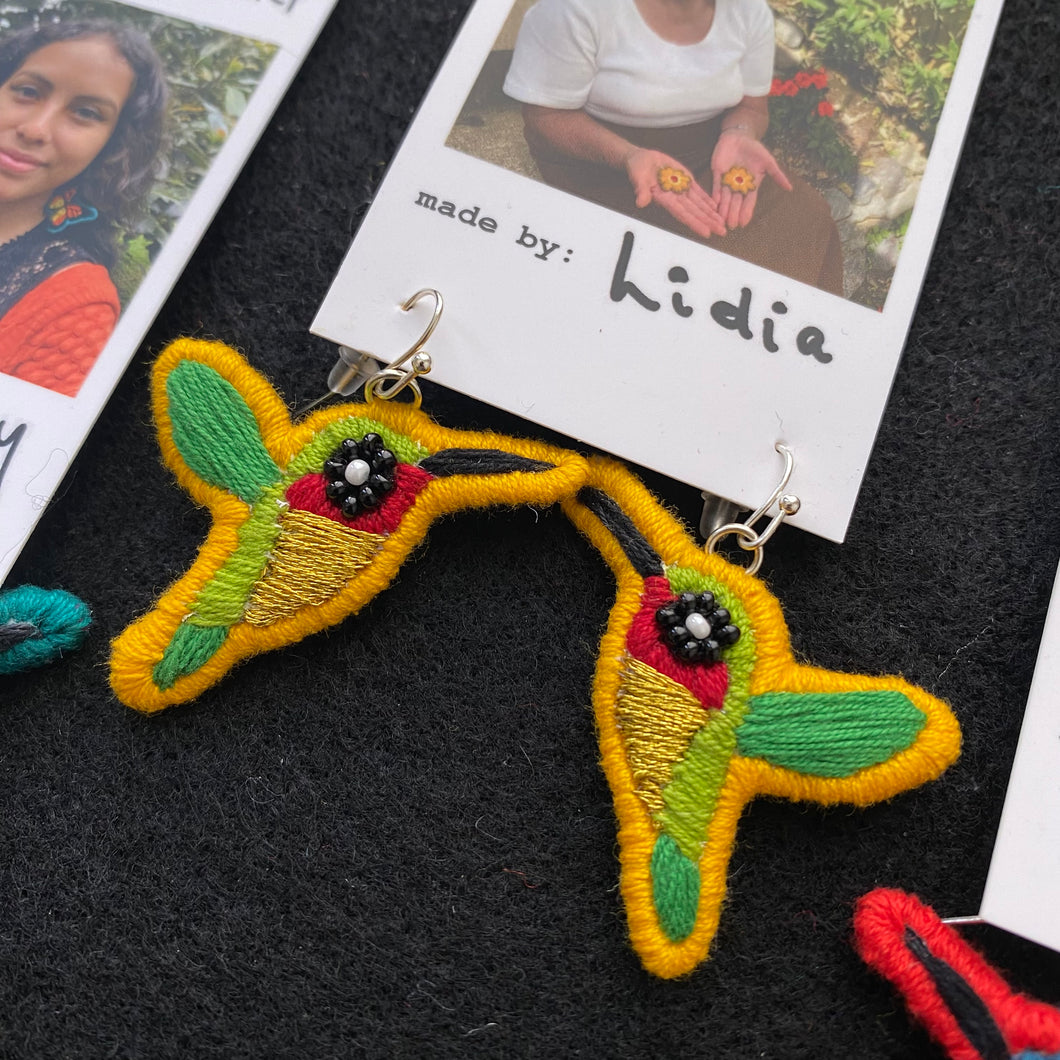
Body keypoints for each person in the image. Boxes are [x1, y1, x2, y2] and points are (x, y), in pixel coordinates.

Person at [504, 0, 843, 296]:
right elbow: (544, 116)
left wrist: (740, 134)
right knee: (701, 266)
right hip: (600, 156)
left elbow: (752, 108)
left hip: (709, 150)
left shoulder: (750, 12)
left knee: (807, 218)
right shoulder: (572, 11)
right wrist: (628, 155)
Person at [0, 19, 167, 396]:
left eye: (86, 113)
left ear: (112, 145)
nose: (35, 128)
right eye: (27, 90)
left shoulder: (77, 310)